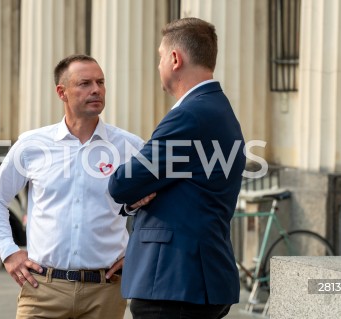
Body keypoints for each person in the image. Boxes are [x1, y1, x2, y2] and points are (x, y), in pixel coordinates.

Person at [0, 54, 144, 319]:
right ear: (62, 92)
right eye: (85, 83)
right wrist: (8, 252)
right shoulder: (32, 145)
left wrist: (138, 252)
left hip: (105, 291)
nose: (96, 89)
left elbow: (159, 204)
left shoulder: (129, 147)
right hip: (42, 289)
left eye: (100, 82)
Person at [108, 17, 246, 319]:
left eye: (160, 57)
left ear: (175, 59)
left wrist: (140, 189)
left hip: (174, 282)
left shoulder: (189, 116)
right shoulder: (216, 108)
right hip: (194, 279)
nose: (158, 65)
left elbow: (122, 184)